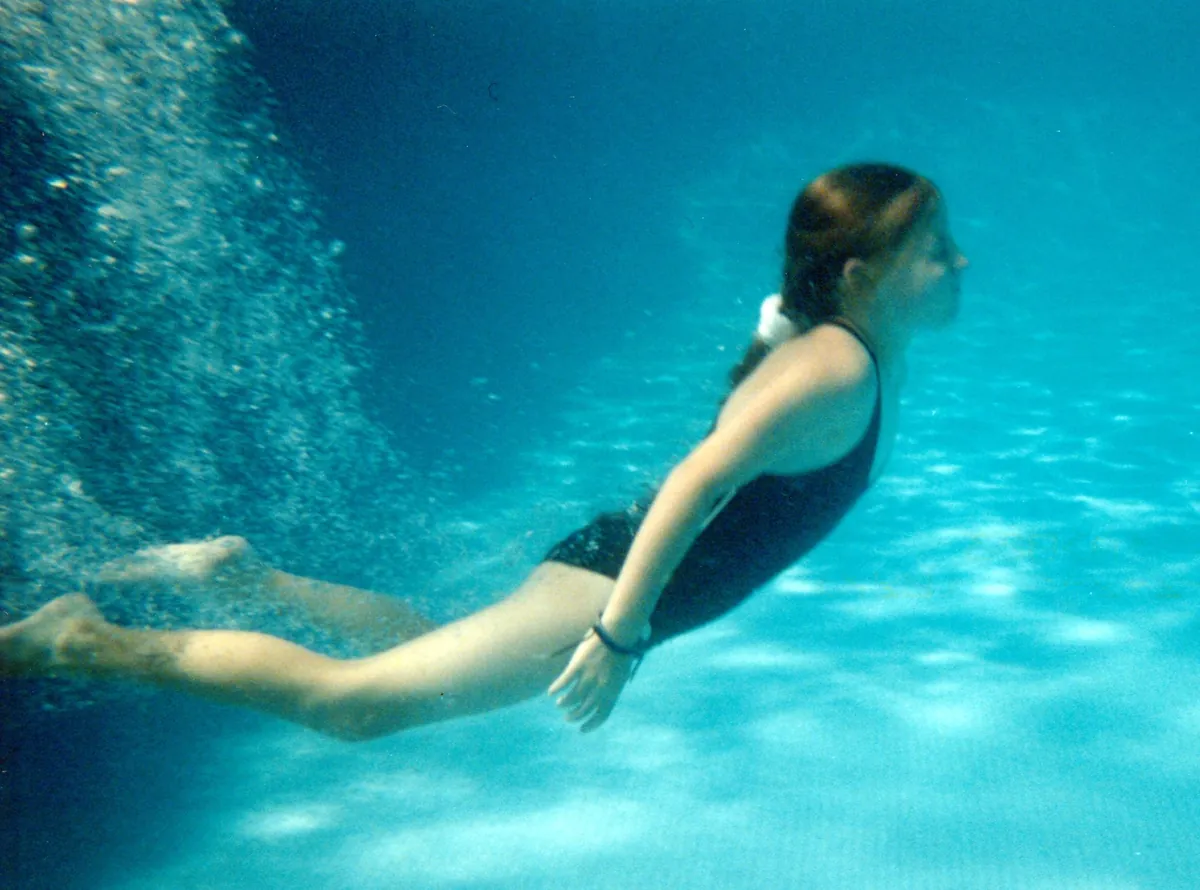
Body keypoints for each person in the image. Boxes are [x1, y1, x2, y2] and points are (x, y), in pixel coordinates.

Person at [0, 163, 968, 739]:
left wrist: (769, 340)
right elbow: (699, 477)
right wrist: (621, 637)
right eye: (936, 249)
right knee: (355, 705)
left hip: (608, 570)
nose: (959, 261)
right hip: (611, 593)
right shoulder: (839, 367)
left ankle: (244, 577)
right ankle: (79, 638)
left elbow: (750, 419)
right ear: (861, 276)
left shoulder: (855, 349)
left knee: (420, 644)